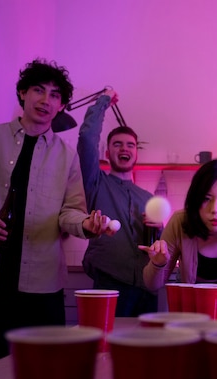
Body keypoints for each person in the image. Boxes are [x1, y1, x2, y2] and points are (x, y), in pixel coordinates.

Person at [0, 59, 114, 372]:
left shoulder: (66, 156)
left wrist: (86, 224)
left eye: (55, 95)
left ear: (61, 105)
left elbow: (70, 213)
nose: (46, 100)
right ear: (22, 93)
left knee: (46, 371)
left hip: (41, 288)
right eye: (38, 90)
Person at [140, 159, 217, 313]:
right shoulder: (180, 223)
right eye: (206, 199)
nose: (215, 209)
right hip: (194, 313)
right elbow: (152, 285)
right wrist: (157, 264)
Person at [77, 89, 158, 316]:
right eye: (117, 144)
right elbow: (86, 138)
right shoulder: (96, 182)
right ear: (107, 151)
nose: (124, 149)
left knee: (144, 350)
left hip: (146, 287)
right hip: (110, 283)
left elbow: (157, 246)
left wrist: (158, 230)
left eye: (130, 145)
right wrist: (103, 102)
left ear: (136, 154)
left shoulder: (148, 198)